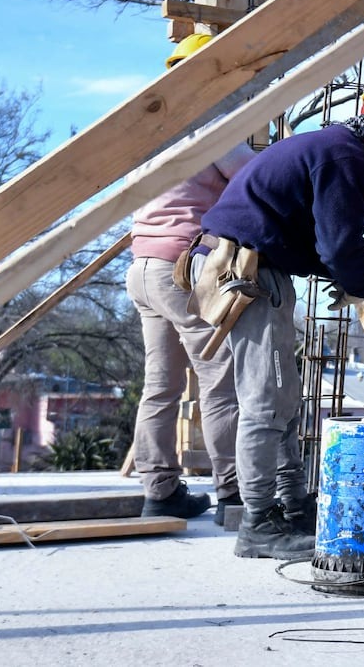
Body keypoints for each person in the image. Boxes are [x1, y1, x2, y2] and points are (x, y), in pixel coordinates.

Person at [193, 78, 364, 559]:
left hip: (250, 266)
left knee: (280, 398)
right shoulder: (345, 158)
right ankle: (258, 523)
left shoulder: (332, 148)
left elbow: (324, 237)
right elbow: (338, 245)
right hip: (249, 272)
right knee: (266, 402)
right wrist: (362, 279)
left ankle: (292, 507)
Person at [129, 33, 252, 523]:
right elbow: (254, 178)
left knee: (159, 386)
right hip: (181, 270)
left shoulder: (149, 130)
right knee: (219, 381)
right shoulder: (210, 127)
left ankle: (159, 491)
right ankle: (234, 494)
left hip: (141, 269)